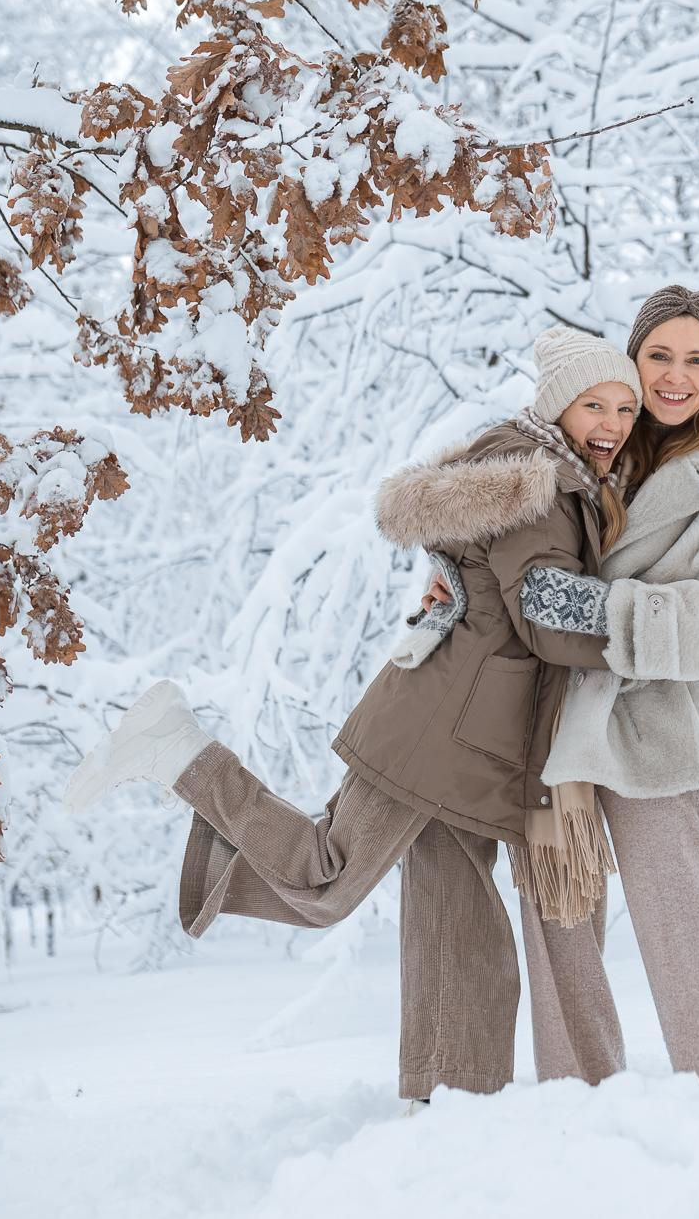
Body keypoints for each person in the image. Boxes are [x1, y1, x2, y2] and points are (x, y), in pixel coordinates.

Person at [64, 327, 639, 1106]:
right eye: (594, 403)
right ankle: (180, 750)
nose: (612, 421)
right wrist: (657, 621)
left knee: (458, 922)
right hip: (437, 736)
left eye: (625, 407)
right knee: (327, 879)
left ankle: (449, 1100)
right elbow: (546, 614)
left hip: (471, 744)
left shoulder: (554, 481)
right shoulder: (542, 490)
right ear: (555, 408)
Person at [428, 284, 699, 1144]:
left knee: (688, 931)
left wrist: (621, 618)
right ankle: (584, 1124)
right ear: (633, 361)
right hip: (555, 725)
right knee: (558, 928)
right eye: (661, 356)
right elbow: (509, 527)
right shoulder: (592, 440)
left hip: (658, 725)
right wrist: (458, 573)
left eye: (698, 359)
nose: (677, 376)